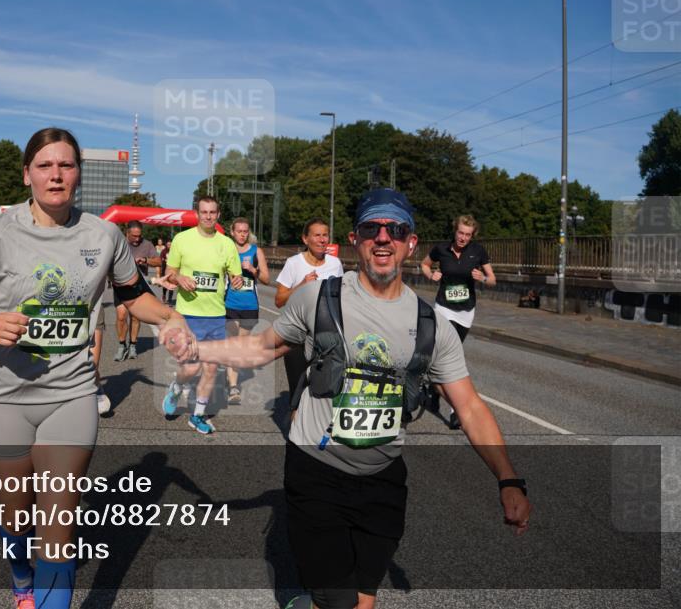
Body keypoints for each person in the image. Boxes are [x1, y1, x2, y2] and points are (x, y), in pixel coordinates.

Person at [169, 189, 531, 609]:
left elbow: (469, 407)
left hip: (383, 479)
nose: (382, 238)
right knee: (338, 600)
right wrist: (197, 349)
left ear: (410, 243)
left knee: (363, 600)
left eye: (394, 230)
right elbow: (262, 348)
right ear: (356, 240)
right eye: (370, 228)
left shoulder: (432, 326)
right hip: (317, 473)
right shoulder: (318, 298)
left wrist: (508, 479)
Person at [0, 127, 195, 609]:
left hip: (72, 395)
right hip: (2, 396)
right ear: (27, 176)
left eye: (66, 165)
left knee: (57, 523)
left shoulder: (104, 235)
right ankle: (20, 574)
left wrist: (170, 317)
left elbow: (133, 296)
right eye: (44, 165)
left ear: (79, 174)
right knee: (18, 520)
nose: (55, 174)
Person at [161, 196, 243, 435]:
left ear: (218, 215)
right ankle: (177, 387)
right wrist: (179, 278)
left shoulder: (226, 244)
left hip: (216, 315)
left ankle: (198, 416)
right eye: (204, 212)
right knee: (190, 369)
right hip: (188, 315)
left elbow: (234, 276)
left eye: (213, 212)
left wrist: (237, 281)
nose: (208, 216)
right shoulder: (182, 239)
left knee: (210, 368)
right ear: (196, 213)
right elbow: (170, 273)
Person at [420, 214, 495, 429]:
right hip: (443, 308)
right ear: (455, 231)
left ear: (472, 236)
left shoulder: (477, 252)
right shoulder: (441, 249)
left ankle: (434, 391)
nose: (463, 238)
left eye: (468, 235)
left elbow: (492, 279)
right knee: (448, 355)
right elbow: (424, 265)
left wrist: (483, 278)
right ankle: (456, 409)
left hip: (466, 312)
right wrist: (430, 275)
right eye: (460, 233)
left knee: (446, 356)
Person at [275, 218, 343, 408]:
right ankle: (294, 434)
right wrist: (302, 285)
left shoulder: (335, 264)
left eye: (325, 235)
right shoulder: (293, 263)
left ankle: (317, 433)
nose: (322, 240)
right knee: (298, 392)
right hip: (297, 336)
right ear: (305, 239)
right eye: (317, 235)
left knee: (323, 392)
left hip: (325, 337)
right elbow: (279, 301)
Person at [223, 217, 270, 404]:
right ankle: (233, 387)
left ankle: (230, 375)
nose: (242, 234)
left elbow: (267, 279)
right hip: (230, 304)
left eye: (245, 231)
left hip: (250, 306)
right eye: (239, 231)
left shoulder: (256, 251)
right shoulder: (227, 249)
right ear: (232, 232)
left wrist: (252, 269)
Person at [114, 220, 160, 361]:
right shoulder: (119, 243)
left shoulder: (146, 244)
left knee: (135, 316)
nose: (137, 239)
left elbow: (158, 261)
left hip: (139, 285)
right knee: (121, 316)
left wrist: (145, 260)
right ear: (127, 233)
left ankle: (133, 345)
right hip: (120, 284)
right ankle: (122, 345)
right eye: (134, 236)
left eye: (139, 236)